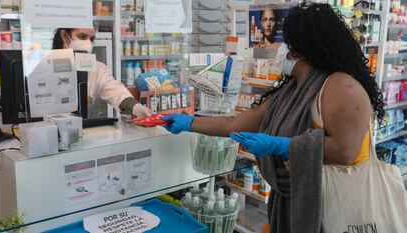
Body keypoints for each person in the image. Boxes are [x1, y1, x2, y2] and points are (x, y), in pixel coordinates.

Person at [163, 3, 385, 233]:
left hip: (333, 207)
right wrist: (188, 122)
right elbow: (234, 124)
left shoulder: (341, 87)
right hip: (292, 202)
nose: (280, 49)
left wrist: (280, 145)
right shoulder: (289, 90)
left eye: (284, 43)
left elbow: (345, 150)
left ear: (298, 50)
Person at [52, 28, 152, 118]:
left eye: (91, 39)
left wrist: (135, 107)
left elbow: (114, 90)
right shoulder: (46, 66)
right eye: (82, 37)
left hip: (86, 132)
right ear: (65, 36)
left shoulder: (97, 68)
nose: (88, 44)